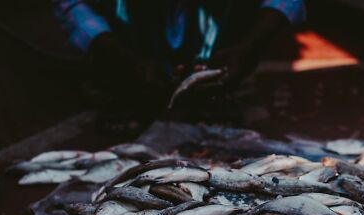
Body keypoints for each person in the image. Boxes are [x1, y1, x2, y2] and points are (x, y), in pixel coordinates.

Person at [52, 0, 306, 132]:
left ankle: (216, 87)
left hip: (218, 37)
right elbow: (71, 5)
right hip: (131, 45)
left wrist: (249, 48)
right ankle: (126, 87)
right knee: (119, 68)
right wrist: (118, 54)